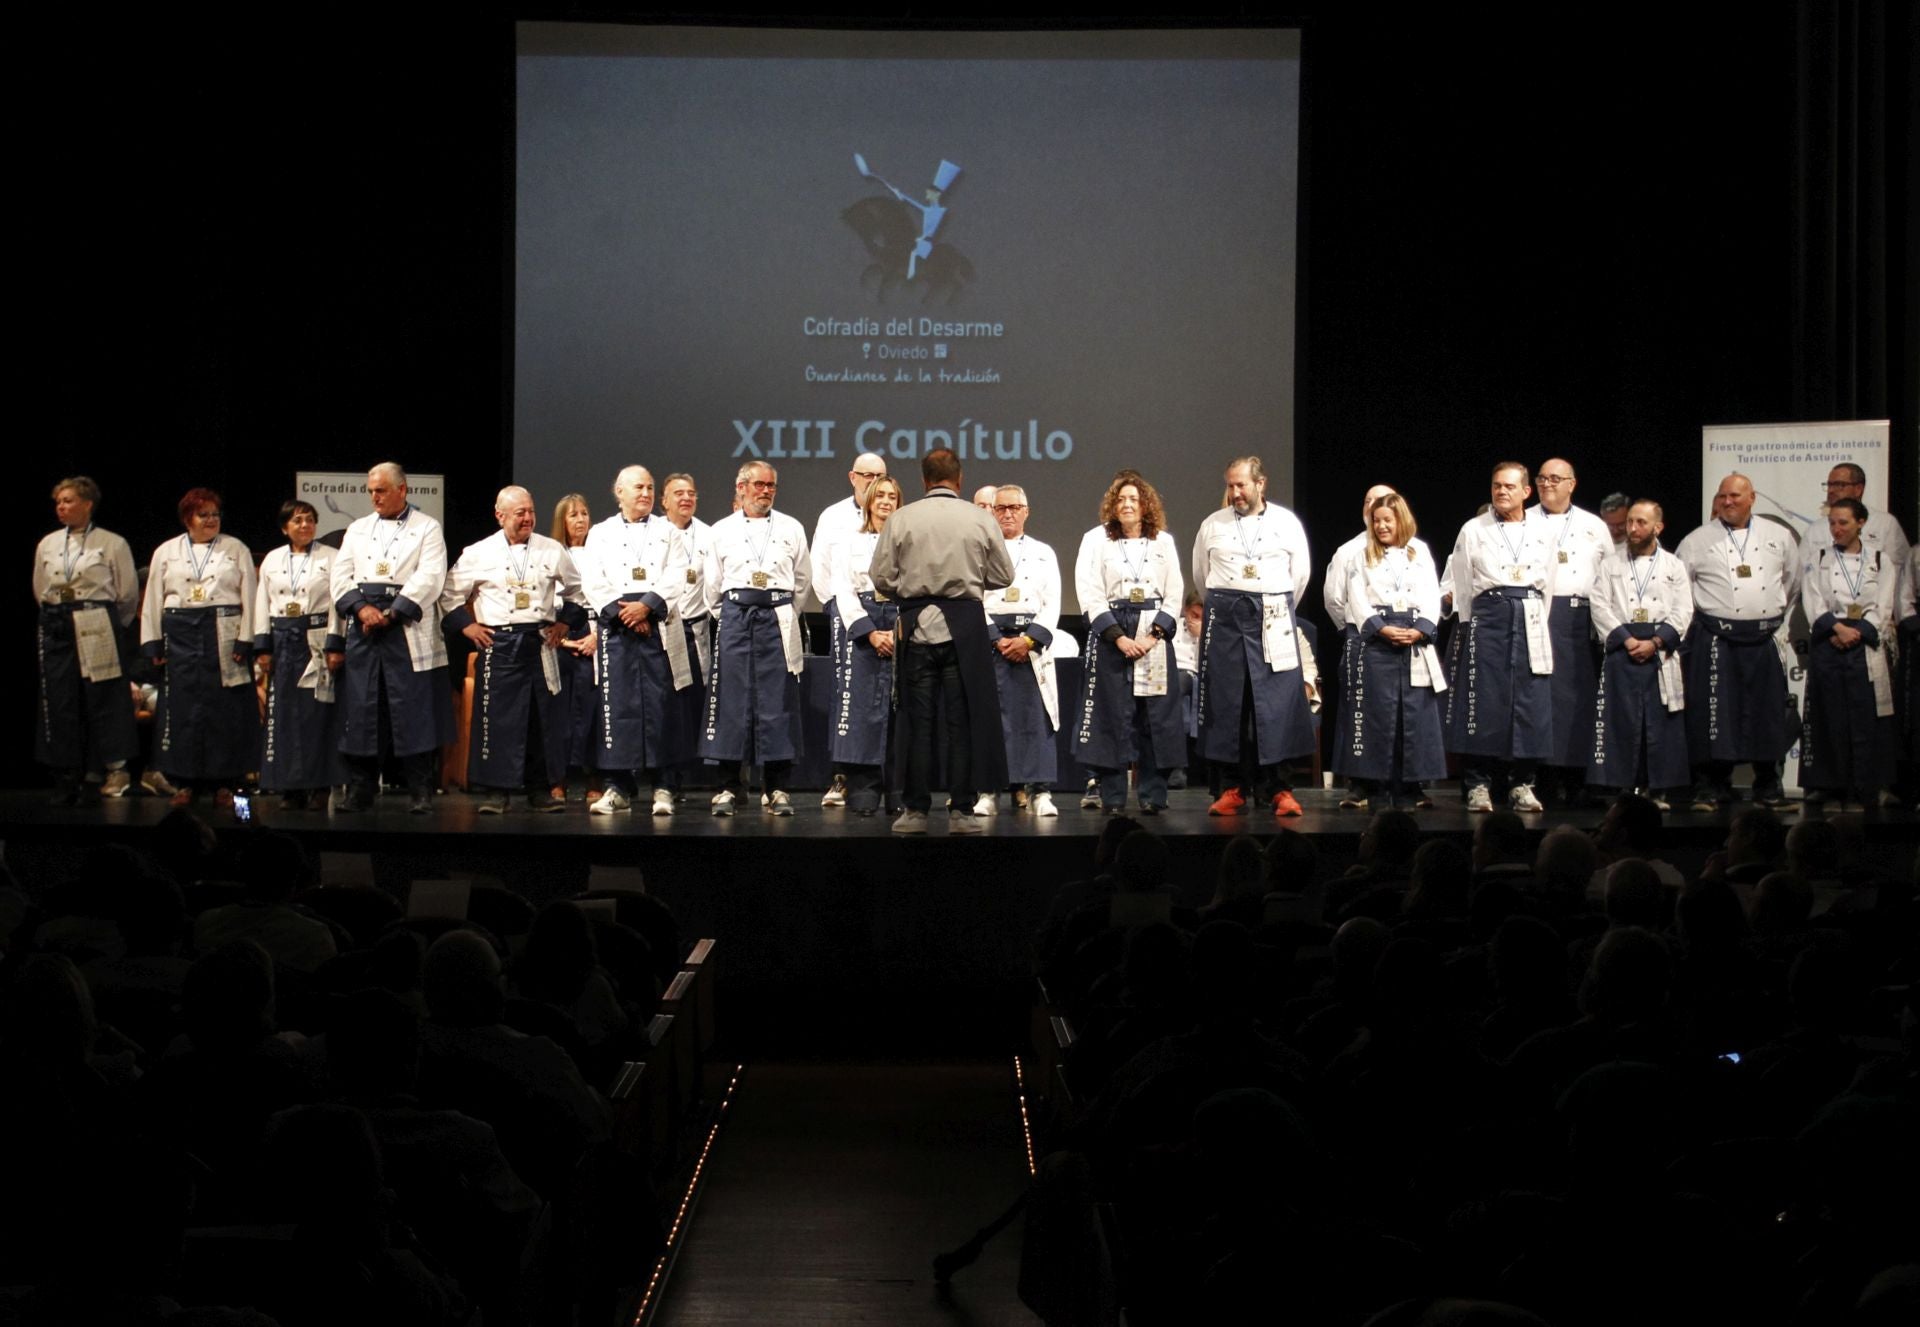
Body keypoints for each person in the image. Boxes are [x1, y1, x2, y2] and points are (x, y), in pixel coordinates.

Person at [871, 449, 1014, 834]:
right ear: (959, 480)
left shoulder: (902, 518)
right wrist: (968, 578)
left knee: (917, 723)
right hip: (964, 629)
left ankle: (915, 812)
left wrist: (912, 588)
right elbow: (1004, 575)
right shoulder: (980, 518)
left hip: (916, 627)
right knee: (961, 723)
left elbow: (881, 577)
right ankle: (961, 812)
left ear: (924, 480)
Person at [441, 486, 589, 814]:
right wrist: (468, 627)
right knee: (498, 720)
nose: (528, 518)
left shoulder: (551, 549)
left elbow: (578, 592)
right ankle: (497, 792)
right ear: (500, 515)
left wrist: (564, 624)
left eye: (531, 511)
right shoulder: (478, 552)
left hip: (540, 642)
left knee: (541, 719)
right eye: (520, 513)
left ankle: (540, 790)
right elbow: (449, 594)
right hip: (500, 644)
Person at [1191, 456, 1315, 817]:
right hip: (1226, 620)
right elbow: (1201, 575)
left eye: (1241, 485)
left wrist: (1269, 603)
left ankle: (1278, 789)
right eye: (1230, 485)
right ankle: (1231, 788)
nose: (1235, 493)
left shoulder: (1287, 523)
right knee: (1228, 705)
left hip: (1272, 616)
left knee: (1275, 705)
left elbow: (1300, 576)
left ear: (1261, 484)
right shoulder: (1212, 524)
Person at [331, 462, 452, 815]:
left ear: (402, 489)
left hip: (406, 627)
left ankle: (420, 790)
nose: (374, 497)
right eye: (371, 491)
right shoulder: (357, 529)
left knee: (413, 711)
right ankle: (361, 789)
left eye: (381, 490)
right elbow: (340, 576)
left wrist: (393, 612)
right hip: (365, 630)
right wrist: (361, 609)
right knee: (363, 710)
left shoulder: (427, 527)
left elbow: (431, 575)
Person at [1675, 471, 1798, 810]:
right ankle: (1711, 786)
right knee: (1714, 713)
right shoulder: (1697, 540)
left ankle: (1768, 786)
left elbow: (1792, 582)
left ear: (1752, 498)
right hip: (1716, 638)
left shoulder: (1779, 536)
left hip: (1764, 638)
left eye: (1735, 496)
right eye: (1722, 496)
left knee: (1767, 713)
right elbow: (1681, 587)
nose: (1728, 502)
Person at [583, 467, 697, 816]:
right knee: (618, 707)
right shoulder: (601, 533)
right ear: (619, 492)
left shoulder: (668, 531)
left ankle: (664, 786)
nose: (646, 493)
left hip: (657, 624)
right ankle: (618, 786)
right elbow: (592, 579)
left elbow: (676, 574)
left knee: (663, 706)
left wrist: (646, 607)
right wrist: (626, 616)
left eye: (650, 487)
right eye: (638, 487)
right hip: (617, 627)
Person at [699, 461, 810, 815]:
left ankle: (777, 787)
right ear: (741, 487)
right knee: (732, 701)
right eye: (759, 485)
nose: (766, 491)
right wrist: (734, 614)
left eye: (771, 485)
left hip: (777, 618)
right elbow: (712, 588)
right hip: (736, 619)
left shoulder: (791, 527)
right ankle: (729, 787)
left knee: (777, 702)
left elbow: (802, 581)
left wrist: (781, 610)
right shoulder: (720, 530)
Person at [1444, 462, 1555, 812]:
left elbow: (1549, 584)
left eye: (1509, 486)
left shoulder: (1543, 531)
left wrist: (1536, 620)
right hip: (1488, 616)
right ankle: (1478, 784)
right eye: (1496, 486)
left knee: (1529, 703)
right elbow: (1463, 584)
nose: (1501, 491)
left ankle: (1522, 783)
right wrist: (1470, 624)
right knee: (1483, 700)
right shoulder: (1473, 529)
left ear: (1526, 491)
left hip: (1530, 614)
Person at [1074, 470, 1184, 815]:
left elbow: (1175, 593)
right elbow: (1089, 592)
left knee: (1155, 719)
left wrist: (1152, 637)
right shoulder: (1095, 540)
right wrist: (1118, 637)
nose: (1127, 505)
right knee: (1112, 718)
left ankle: (1152, 795)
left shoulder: (1163, 541)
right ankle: (1113, 797)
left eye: (1134, 499)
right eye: (1121, 499)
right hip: (1112, 633)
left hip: (1153, 633)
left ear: (1145, 504)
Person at [140, 487, 258, 805]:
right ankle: (184, 782)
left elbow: (250, 596)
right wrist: (153, 642)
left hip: (223, 629)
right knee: (184, 708)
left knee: (224, 708)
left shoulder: (236, 548)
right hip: (180, 632)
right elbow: (153, 599)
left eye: (215, 514)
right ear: (187, 518)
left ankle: (225, 783)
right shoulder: (166, 551)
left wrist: (246, 637)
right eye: (203, 515)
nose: (210, 520)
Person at [1330, 493, 1447, 809]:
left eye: (1387, 520)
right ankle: (1376, 788)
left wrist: (1421, 628)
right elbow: (1356, 598)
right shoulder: (1361, 555)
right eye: (1376, 521)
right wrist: (1380, 628)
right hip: (1377, 640)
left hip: (1413, 636)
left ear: (1401, 520)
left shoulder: (1419, 552)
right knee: (1377, 714)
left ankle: (1410, 787)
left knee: (1413, 715)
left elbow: (1432, 594)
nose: (1381, 526)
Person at [34, 476, 139, 804]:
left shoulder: (112, 542)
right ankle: (66, 774)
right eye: (58, 502)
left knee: (104, 695)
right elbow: (40, 588)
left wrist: (110, 624)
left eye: (68, 501)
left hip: (96, 618)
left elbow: (127, 595)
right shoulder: (48, 543)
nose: (61, 507)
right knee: (60, 698)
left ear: (87, 504)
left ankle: (114, 769)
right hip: (57, 621)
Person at [1587, 500, 1693, 807]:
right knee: (1622, 720)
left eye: (1641, 523)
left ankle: (1656, 789)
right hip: (1623, 649)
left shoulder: (1673, 565)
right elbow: (1599, 604)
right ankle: (1623, 789)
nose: (1632, 528)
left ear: (1657, 527)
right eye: (1630, 522)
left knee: (1658, 723)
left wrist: (1656, 642)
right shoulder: (1610, 564)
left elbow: (1684, 609)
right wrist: (1627, 640)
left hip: (1659, 652)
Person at [1798, 497, 1898, 808]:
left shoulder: (1880, 559)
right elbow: (1812, 600)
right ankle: (1828, 786)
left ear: (1860, 522)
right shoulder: (1819, 558)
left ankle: (1865, 787)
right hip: (1829, 640)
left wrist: (1858, 631)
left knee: (1864, 716)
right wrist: (1837, 629)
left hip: (1863, 642)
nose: (1836, 529)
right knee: (1828, 715)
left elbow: (1883, 604)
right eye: (1832, 523)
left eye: (1843, 523)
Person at [252, 499, 345, 810]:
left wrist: (335, 644)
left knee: (317, 715)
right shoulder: (272, 559)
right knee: (284, 716)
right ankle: (290, 788)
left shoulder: (331, 557)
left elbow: (338, 604)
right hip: (282, 639)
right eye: (297, 521)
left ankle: (320, 786)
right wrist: (263, 646)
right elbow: (261, 603)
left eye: (309, 520)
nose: (305, 525)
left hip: (315, 638)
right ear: (284, 528)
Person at [1532, 458, 1614, 806]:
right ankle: (1542, 779)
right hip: (1539, 616)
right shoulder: (1525, 520)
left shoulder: (1594, 525)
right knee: (1542, 700)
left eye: (1555, 478)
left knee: (1581, 701)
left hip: (1582, 620)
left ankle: (1579, 779)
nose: (1547, 484)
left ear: (1572, 484)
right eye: (1541, 478)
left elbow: (1609, 574)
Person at [979, 484, 1064, 817]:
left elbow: (1053, 602)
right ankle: (988, 791)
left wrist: (1029, 640)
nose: (1008, 514)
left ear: (1026, 512)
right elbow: (972, 598)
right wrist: (995, 638)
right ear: (992, 512)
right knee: (991, 720)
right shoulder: (980, 550)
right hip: (993, 644)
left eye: (1014, 507)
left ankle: (1040, 791)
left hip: (1031, 645)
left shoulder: (1044, 552)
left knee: (1036, 718)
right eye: (1001, 508)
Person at [809, 453, 888, 808]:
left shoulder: (896, 517)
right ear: (852, 477)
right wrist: (837, 609)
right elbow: (819, 568)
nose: (873, 481)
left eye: (880, 475)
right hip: (847, 613)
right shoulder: (833, 516)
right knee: (847, 696)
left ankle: (883, 780)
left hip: (889, 616)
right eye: (866, 475)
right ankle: (841, 777)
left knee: (885, 700)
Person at [829, 476, 904, 815]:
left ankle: (898, 793)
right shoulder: (849, 542)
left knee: (899, 712)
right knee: (862, 712)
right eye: (880, 496)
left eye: (892, 496)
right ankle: (864, 791)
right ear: (869, 501)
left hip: (900, 624)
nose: (886, 501)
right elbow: (843, 591)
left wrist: (899, 632)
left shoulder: (908, 542)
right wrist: (870, 633)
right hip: (864, 626)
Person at [659, 472, 712, 797]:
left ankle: (690, 776)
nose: (686, 498)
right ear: (664, 501)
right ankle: (666, 778)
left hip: (697, 630)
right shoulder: (655, 534)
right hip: (664, 631)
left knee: (694, 707)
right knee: (668, 707)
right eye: (678, 493)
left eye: (691, 493)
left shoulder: (708, 534)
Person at [550, 492, 599, 801]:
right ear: (562, 521)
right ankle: (558, 777)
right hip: (560, 638)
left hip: (594, 636)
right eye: (573, 515)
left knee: (593, 712)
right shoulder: (552, 554)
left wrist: (597, 637)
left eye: (584, 513)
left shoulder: (600, 552)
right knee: (560, 714)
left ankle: (594, 776)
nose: (580, 520)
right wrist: (564, 639)